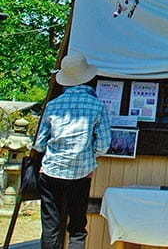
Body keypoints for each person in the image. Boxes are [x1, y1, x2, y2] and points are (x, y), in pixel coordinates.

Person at [32, 53, 111, 249]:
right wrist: (90, 157)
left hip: (51, 172)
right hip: (81, 173)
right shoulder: (97, 106)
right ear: (88, 77)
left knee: (51, 225)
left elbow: (39, 143)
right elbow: (103, 144)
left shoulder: (53, 105)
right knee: (77, 226)